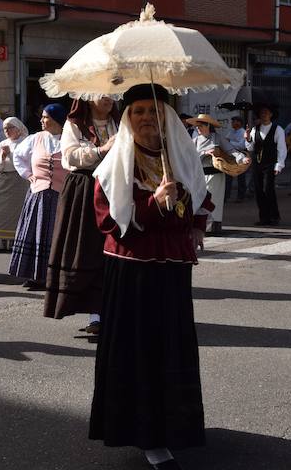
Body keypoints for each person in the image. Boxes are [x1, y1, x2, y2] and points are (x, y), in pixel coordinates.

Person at [90, 83, 213, 470]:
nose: (147, 118)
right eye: (139, 111)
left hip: (172, 267)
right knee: (139, 351)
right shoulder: (117, 161)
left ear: (167, 117)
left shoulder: (181, 155)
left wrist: (195, 225)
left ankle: (175, 426)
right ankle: (147, 435)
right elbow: (107, 218)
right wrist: (152, 203)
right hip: (132, 267)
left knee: (171, 346)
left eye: (154, 111)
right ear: (128, 117)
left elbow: (199, 196)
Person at [45, 97, 118, 335]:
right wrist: (102, 149)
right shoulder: (74, 124)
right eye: (102, 94)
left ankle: (113, 311)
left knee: (113, 250)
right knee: (86, 249)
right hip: (84, 188)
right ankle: (95, 315)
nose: (109, 98)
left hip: (115, 187)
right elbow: (70, 157)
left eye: (111, 94)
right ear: (88, 97)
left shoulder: (120, 122)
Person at [8, 103, 69, 290]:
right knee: (35, 235)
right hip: (39, 194)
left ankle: (56, 276)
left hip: (62, 195)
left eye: (46, 117)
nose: (42, 120)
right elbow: (17, 156)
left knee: (57, 237)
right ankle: (34, 275)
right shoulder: (36, 138)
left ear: (57, 120)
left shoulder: (70, 139)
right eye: (42, 117)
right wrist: (29, 175)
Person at [190, 113, 249, 235]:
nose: (197, 128)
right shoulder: (194, 140)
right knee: (199, 199)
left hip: (216, 175)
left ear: (207, 126)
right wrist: (205, 152)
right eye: (197, 126)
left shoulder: (217, 138)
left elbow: (231, 150)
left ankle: (213, 227)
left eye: (200, 125)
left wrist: (243, 159)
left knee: (214, 200)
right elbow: (190, 157)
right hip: (199, 175)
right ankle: (199, 225)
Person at [0, 117, 30, 253]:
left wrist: (11, 154)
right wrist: (2, 157)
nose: (7, 131)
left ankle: (16, 242)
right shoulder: (3, 143)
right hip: (3, 180)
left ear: (19, 128)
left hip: (20, 181)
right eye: (5, 128)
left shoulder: (26, 142)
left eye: (10, 127)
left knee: (17, 213)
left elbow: (26, 162)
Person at [245, 102, 286, 225]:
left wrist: (279, 164)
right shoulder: (254, 129)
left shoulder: (277, 129)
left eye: (266, 113)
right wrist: (247, 138)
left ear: (271, 114)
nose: (264, 115)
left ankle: (274, 216)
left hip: (270, 163)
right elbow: (250, 148)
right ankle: (264, 217)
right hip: (257, 163)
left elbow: (282, 148)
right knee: (258, 190)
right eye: (262, 113)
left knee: (268, 189)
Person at [224, 116, 248, 202]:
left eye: (234, 121)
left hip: (241, 155)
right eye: (232, 121)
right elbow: (225, 141)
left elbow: (242, 145)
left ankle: (241, 196)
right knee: (228, 176)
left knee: (241, 177)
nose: (232, 123)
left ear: (239, 123)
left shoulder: (243, 132)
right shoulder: (231, 132)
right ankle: (226, 196)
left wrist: (230, 142)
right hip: (231, 156)